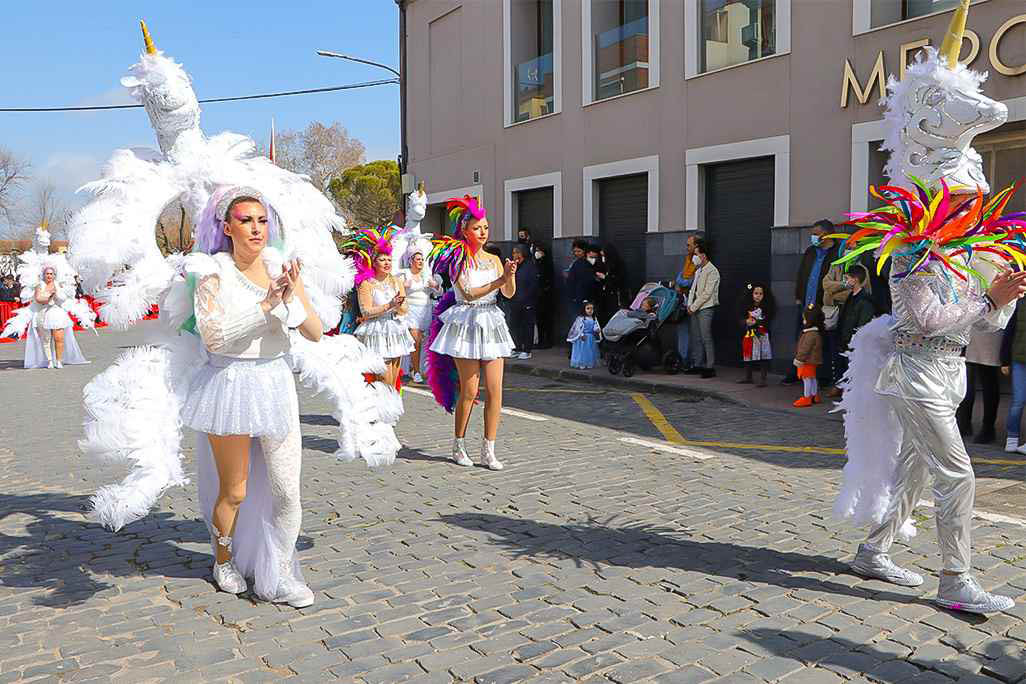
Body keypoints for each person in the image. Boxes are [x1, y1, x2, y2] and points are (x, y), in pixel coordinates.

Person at [834, 1, 1023, 614]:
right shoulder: (913, 237)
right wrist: (984, 299)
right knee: (957, 473)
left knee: (917, 471)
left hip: (949, 369)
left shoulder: (963, 244)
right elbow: (924, 318)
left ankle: (874, 551)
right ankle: (955, 579)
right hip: (913, 370)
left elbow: (977, 320)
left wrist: (998, 301)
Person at [428, 196, 516, 470]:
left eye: (486, 227)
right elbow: (467, 293)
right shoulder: (457, 259)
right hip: (466, 322)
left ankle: (489, 449)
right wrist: (500, 280)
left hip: (491, 323)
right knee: (469, 389)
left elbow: (508, 294)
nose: (483, 232)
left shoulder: (494, 259)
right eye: (477, 228)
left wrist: (509, 276)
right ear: (465, 230)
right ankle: (459, 444)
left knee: (495, 390)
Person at [348, 228, 416, 389]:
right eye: (382, 260)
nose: (387, 263)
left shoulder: (396, 281)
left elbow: (405, 309)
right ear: (374, 262)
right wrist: (389, 305)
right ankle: (379, 411)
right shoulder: (366, 283)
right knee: (383, 379)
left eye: (389, 260)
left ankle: (389, 412)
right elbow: (366, 311)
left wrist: (399, 306)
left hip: (395, 330)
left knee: (392, 381)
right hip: (376, 332)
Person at [783, 220, 839, 385]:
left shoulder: (837, 253)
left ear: (826, 234)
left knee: (822, 342)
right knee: (801, 338)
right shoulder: (811, 251)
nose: (813, 237)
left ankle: (822, 376)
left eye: (816, 233)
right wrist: (798, 295)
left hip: (823, 305)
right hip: (806, 304)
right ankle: (796, 372)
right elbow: (802, 274)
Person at [829, 264, 875, 399]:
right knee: (844, 368)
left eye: (847, 278)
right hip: (845, 340)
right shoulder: (851, 296)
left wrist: (854, 339)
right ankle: (843, 388)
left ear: (855, 279)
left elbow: (863, 324)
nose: (846, 280)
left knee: (853, 371)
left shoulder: (865, 300)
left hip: (853, 343)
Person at [400, 240, 442, 383]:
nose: (420, 262)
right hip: (411, 311)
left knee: (424, 342)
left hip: (425, 310)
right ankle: (416, 371)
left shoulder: (427, 275)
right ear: (411, 261)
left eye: (422, 259)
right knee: (416, 340)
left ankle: (418, 368)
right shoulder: (405, 274)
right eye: (417, 259)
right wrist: (404, 287)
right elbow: (397, 292)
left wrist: (435, 286)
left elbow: (438, 293)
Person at [956, 329, 1003, 444]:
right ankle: (965, 423)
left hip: (992, 330)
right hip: (972, 332)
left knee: (988, 383)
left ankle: (987, 428)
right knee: (968, 382)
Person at [684, 238, 719, 379]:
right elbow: (693, 288)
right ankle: (697, 364)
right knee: (696, 337)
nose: (695, 257)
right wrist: (689, 305)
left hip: (706, 308)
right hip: (695, 308)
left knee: (706, 337)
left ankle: (710, 367)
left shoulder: (713, 271)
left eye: (697, 254)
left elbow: (706, 294)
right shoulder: (699, 270)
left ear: (703, 256)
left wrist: (693, 306)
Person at [1000, 297, 1026, 453]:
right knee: (1018, 401)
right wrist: (1004, 360)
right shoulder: (1020, 303)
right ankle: (1012, 437)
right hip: (1019, 360)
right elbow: (1009, 331)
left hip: (1018, 360)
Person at [738, 282, 774, 387]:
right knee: (748, 354)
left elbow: (768, 320)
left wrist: (757, 323)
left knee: (763, 356)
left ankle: (763, 379)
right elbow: (741, 318)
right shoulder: (746, 305)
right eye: (756, 293)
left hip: (762, 334)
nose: (758, 296)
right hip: (749, 334)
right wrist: (745, 321)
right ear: (752, 294)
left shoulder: (767, 307)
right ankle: (748, 377)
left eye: (760, 294)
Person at [508, 245, 539, 360]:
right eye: (513, 253)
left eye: (517, 252)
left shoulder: (530, 267)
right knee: (515, 325)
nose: (515, 255)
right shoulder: (514, 267)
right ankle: (516, 347)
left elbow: (533, 286)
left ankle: (527, 349)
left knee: (527, 325)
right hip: (515, 301)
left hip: (527, 302)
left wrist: (528, 300)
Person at [675, 235, 700, 370]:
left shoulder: (698, 261)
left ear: (696, 246)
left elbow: (691, 281)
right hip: (684, 301)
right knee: (683, 331)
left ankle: (693, 362)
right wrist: (681, 281)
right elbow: (681, 275)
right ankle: (683, 359)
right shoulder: (688, 260)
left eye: (689, 245)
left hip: (694, 301)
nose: (687, 248)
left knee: (694, 333)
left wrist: (680, 282)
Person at [793, 305, 824, 407]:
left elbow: (804, 349)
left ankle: (807, 397)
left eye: (805, 318)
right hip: (812, 361)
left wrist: (798, 359)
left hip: (807, 361)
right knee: (812, 378)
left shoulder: (810, 334)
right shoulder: (815, 333)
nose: (803, 320)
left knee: (806, 379)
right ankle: (814, 395)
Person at [565, 239, 597, 316]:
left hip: (582, 298)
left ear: (584, 251)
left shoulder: (584, 264)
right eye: (575, 251)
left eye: (579, 251)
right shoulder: (578, 263)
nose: (576, 253)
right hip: (579, 297)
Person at [533, 242, 555, 349]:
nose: (537, 253)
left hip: (546, 297)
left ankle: (548, 341)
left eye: (539, 251)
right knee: (539, 320)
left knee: (546, 320)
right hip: (537, 296)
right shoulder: (536, 263)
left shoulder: (547, 264)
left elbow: (548, 279)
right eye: (536, 251)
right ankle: (540, 340)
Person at [568, 301, 602, 369]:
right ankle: (581, 363)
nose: (590, 310)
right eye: (588, 308)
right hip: (583, 338)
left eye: (592, 309)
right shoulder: (580, 318)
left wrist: (596, 329)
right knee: (582, 352)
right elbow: (577, 328)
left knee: (590, 351)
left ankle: (589, 363)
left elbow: (595, 326)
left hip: (590, 338)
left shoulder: (594, 318)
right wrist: (581, 335)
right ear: (584, 309)